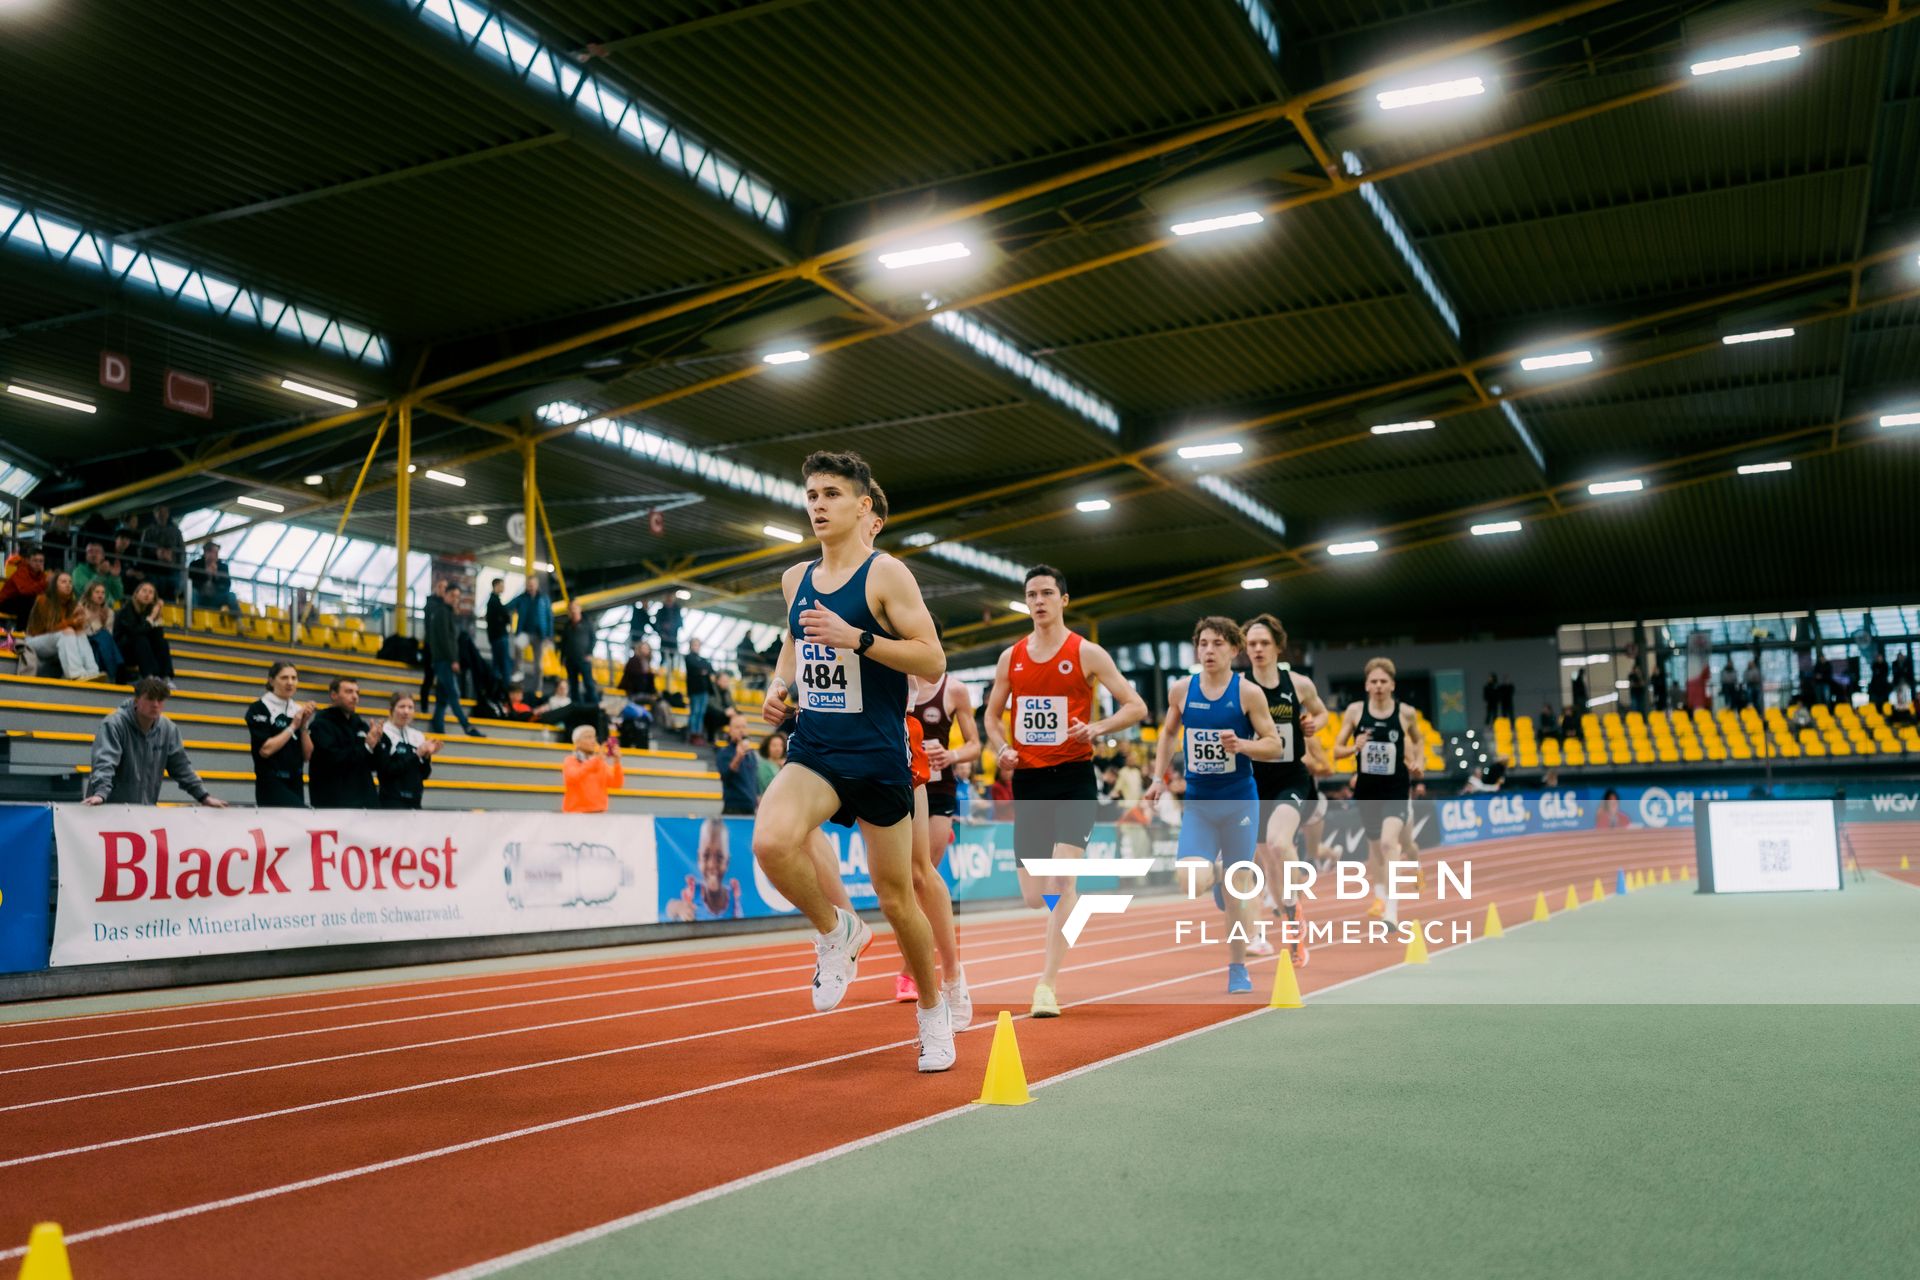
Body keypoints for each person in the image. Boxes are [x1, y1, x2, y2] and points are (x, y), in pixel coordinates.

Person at [751, 450, 954, 1072]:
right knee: (771, 841)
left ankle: (932, 1012)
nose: (818, 504)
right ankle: (836, 931)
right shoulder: (795, 579)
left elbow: (932, 659)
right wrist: (779, 684)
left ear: (863, 506)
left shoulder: (886, 575)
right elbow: (793, 638)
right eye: (811, 493)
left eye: (832, 494)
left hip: (878, 755)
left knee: (898, 898)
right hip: (816, 746)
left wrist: (859, 638)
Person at [983, 562, 1148, 1017]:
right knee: (1035, 896)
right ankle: (1065, 905)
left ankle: (1046, 985)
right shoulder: (1010, 657)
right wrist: (1000, 748)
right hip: (1030, 781)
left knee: (1061, 879)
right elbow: (992, 717)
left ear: (1063, 600)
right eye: (1031, 594)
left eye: (1047, 593)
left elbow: (1136, 706)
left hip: (1075, 779)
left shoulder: (1087, 653)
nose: (1038, 601)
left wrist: (1096, 727)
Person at [1146, 616, 1286, 994]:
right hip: (1200, 805)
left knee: (1240, 894)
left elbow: (1275, 744)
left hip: (1240, 801)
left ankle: (1237, 968)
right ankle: (1218, 880)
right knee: (1189, 881)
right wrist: (1159, 778)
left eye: (1218, 644)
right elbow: (1168, 734)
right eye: (1203, 643)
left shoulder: (1247, 694)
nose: (1209, 650)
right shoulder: (1182, 690)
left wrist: (1243, 745)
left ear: (1234, 650)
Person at [1242, 613, 1328, 967]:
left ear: (1278, 646)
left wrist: (1312, 724)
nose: (1258, 649)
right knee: (1267, 862)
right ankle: (1289, 911)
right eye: (1251, 644)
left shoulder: (1299, 684)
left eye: (1264, 643)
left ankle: (1295, 921)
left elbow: (1322, 714)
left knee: (1280, 843)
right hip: (1252, 782)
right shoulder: (1239, 686)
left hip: (1292, 778)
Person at [1333, 657, 1425, 925]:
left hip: (1395, 787)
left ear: (1392, 684)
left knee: (1389, 843)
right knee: (1375, 848)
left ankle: (1393, 910)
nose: (1378, 686)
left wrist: (1419, 761)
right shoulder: (1354, 711)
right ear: (1366, 684)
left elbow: (1419, 740)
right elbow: (1337, 751)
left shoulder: (1405, 712)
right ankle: (1381, 895)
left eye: (1383, 681)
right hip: (1367, 789)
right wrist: (1354, 747)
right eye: (1374, 681)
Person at [81, 677, 228, 807]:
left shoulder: (168, 729)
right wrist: (100, 794)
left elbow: (182, 767)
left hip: (145, 813)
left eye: (160, 699)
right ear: (137, 700)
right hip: (107, 809)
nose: (156, 704)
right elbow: (105, 763)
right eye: (150, 698)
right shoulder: (113, 724)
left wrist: (204, 797)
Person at [246, 660, 314, 807]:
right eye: (284, 678)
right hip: (271, 782)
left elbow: (308, 755)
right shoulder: (259, 708)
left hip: (296, 780)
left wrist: (303, 726)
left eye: (294, 678)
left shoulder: (298, 709)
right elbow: (265, 750)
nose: (290, 682)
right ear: (271, 680)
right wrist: (293, 726)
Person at [307, 677, 379, 808]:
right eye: (349, 692)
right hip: (334, 804)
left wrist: (376, 746)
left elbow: (373, 765)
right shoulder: (321, 725)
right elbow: (335, 760)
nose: (355, 697)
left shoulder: (361, 725)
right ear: (334, 695)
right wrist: (367, 747)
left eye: (357, 692)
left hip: (365, 801)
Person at [425, 580, 483, 738]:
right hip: (444, 661)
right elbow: (445, 639)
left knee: (442, 700)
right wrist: (453, 660)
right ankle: (467, 726)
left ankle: (438, 727)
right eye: (452, 595)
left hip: (443, 660)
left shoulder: (447, 613)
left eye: (458, 596)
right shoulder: (442, 612)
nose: (455, 599)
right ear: (445, 595)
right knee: (453, 695)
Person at [25, 570, 103, 680]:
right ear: (55, 585)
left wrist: (80, 621)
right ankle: (75, 674)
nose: (68, 584)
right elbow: (49, 629)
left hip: (57, 639)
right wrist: (72, 622)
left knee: (80, 633)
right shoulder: (43, 600)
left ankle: (93, 671)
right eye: (63, 582)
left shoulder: (72, 604)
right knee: (69, 632)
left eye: (70, 582)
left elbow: (74, 628)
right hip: (34, 640)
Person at [667, 816, 742, 921]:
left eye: (720, 858)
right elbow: (670, 907)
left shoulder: (733, 898)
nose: (712, 865)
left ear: (727, 862)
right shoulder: (693, 893)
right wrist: (679, 907)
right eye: (706, 856)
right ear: (698, 859)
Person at [373, 692, 438, 809]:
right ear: (391, 709)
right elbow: (387, 771)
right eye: (402, 706)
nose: (406, 711)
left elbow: (424, 774)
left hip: (415, 801)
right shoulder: (383, 733)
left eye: (410, 707)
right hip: (391, 802)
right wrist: (417, 754)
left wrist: (426, 757)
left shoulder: (418, 736)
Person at [114, 581, 175, 682]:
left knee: (163, 642)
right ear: (136, 594)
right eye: (144, 591)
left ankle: (165, 677)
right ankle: (149, 677)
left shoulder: (151, 611)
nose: (147, 594)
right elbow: (134, 632)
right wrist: (151, 617)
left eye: (151, 592)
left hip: (142, 651)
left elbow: (158, 637)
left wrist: (157, 615)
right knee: (140, 639)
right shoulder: (127, 609)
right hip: (123, 651)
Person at [562, 723, 623, 813]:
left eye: (594, 737)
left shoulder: (599, 762)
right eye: (588, 737)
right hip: (576, 813)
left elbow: (616, 784)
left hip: (599, 812)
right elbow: (574, 777)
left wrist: (617, 762)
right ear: (577, 743)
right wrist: (596, 760)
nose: (593, 741)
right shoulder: (570, 760)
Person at [715, 707, 762, 815]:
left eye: (744, 727)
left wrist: (758, 800)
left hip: (751, 808)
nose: (741, 730)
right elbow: (726, 775)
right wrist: (738, 757)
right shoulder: (723, 753)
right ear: (730, 730)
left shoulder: (751, 753)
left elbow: (754, 779)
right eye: (737, 727)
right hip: (733, 808)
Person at [510, 573, 553, 687]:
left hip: (539, 635)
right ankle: (518, 672)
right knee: (518, 646)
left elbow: (549, 617)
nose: (531, 586)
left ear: (537, 585)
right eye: (529, 584)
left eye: (533, 584)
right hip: (525, 632)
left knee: (538, 663)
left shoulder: (544, 598)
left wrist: (549, 636)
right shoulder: (522, 598)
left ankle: (537, 686)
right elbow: (509, 606)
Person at [77, 580, 125, 680]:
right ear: (90, 594)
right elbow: (79, 630)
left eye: (103, 593)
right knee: (103, 636)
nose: (100, 595)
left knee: (102, 640)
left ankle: (102, 676)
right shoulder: (81, 608)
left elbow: (109, 635)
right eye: (97, 592)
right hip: (84, 641)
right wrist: (91, 618)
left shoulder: (109, 612)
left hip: (100, 644)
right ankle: (114, 674)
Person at [558, 598, 600, 706]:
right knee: (573, 685)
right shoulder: (567, 626)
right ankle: (576, 706)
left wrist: (589, 653)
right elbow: (563, 643)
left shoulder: (587, 623)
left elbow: (593, 639)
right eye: (570, 609)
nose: (573, 611)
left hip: (584, 659)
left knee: (589, 684)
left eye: (574, 608)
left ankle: (595, 706)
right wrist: (562, 658)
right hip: (570, 660)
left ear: (579, 609)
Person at [146, 503, 186, 601]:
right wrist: (156, 554)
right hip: (154, 568)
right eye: (159, 512)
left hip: (172, 570)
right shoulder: (148, 531)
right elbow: (143, 550)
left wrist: (173, 559)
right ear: (155, 514)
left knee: (172, 591)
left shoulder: (176, 531)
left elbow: (182, 552)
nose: (162, 515)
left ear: (168, 514)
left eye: (164, 512)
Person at [0, 546, 47, 627]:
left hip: (21, 601)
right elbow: (25, 590)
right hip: (5, 602)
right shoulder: (21, 571)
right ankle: (21, 631)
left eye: (41, 561)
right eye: (35, 560)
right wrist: (45, 582)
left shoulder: (41, 575)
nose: (38, 564)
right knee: (28, 601)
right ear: (28, 561)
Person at [72, 542, 124, 609]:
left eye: (97, 552)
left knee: (120, 607)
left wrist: (115, 577)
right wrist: (100, 575)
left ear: (103, 556)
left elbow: (118, 596)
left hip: (107, 611)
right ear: (86, 556)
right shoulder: (79, 571)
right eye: (90, 551)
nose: (93, 555)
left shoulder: (107, 571)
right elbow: (85, 592)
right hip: (86, 609)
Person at [485, 577, 514, 695]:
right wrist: (505, 618)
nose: (503, 588)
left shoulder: (492, 602)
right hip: (499, 637)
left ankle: (495, 691)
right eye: (502, 585)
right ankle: (506, 692)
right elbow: (505, 617)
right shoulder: (494, 602)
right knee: (504, 665)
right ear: (496, 586)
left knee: (496, 665)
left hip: (495, 638)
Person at [190, 542, 238, 613]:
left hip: (216, 597)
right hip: (200, 596)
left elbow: (227, 586)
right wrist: (205, 574)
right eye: (212, 552)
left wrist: (216, 576)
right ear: (205, 552)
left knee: (231, 596)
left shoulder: (223, 567)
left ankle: (238, 621)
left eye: (216, 553)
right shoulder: (195, 564)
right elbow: (190, 583)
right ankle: (192, 617)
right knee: (192, 592)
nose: (214, 555)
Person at [683, 637, 714, 745]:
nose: (696, 647)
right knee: (695, 712)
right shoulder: (688, 658)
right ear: (691, 646)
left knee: (701, 713)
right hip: (695, 690)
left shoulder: (702, 660)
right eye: (694, 644)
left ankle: (698, 734)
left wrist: (702, 670)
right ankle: (692, 734)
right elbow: (696, 667)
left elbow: (709, 668)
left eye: (698, 645)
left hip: (704, 690)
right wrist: (702, 670)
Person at [652, 595, 682, 680]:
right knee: (663, 656)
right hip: (664, 638)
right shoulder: (661, 611)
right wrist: (662, 631)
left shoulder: (677, 610)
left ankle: (672, 673)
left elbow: (680, 623)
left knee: (673, 656)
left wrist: (672, 627)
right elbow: (657, 625)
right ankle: (661, 672)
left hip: (673, 638)